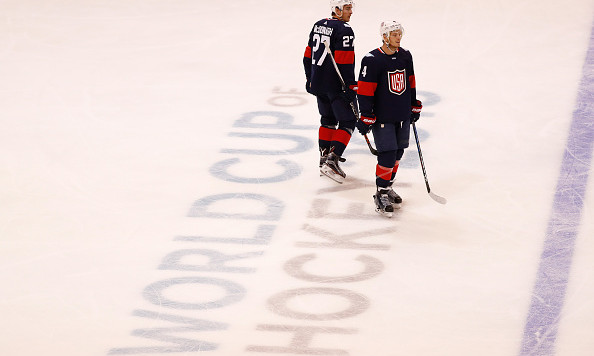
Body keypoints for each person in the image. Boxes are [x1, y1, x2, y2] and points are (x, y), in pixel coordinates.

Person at [356, 20, 423, 217]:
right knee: (387, 153)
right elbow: (365, 90)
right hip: (382, 116)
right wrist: (366, 114)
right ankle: (381, 192)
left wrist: (413, 104)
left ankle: (388, 186)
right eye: (394, 34)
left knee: (399, 152)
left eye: (399, 34)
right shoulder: (373, 59)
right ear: (384, 36)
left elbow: (410, 82)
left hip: (401, 114)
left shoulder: (405, 56)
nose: (398, 37)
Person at [303, 0, 358, 184]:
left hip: (318, 83)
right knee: (349, 121)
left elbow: (307, 56)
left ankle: (323, 158)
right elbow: (345, 61)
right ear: (336, 9)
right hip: (336, 85)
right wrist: (351, 86)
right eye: (347, 8)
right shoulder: (344, 29)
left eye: (351, 8)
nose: (351, 12)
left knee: (328, 120)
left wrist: (309, 78)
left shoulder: (318, 24)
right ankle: (332, 161)